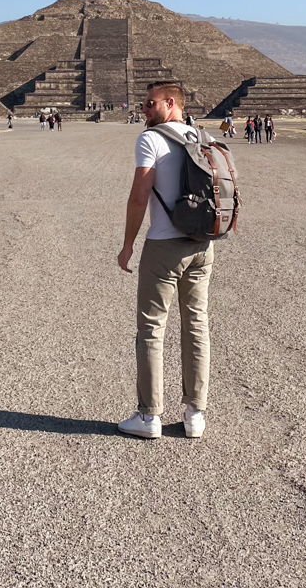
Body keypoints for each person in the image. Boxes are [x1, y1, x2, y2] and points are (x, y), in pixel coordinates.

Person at [116, 81, 213, 441]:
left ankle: (149, 416)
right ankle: (195, 415)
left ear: (170, 103)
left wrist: (128, 244)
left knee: (151, 330)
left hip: (164, 246)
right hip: (203, 245)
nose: (143, 109)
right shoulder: (202, 137)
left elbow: (139, 196)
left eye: (149, 103)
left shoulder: (151, 139)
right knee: (196, 326)